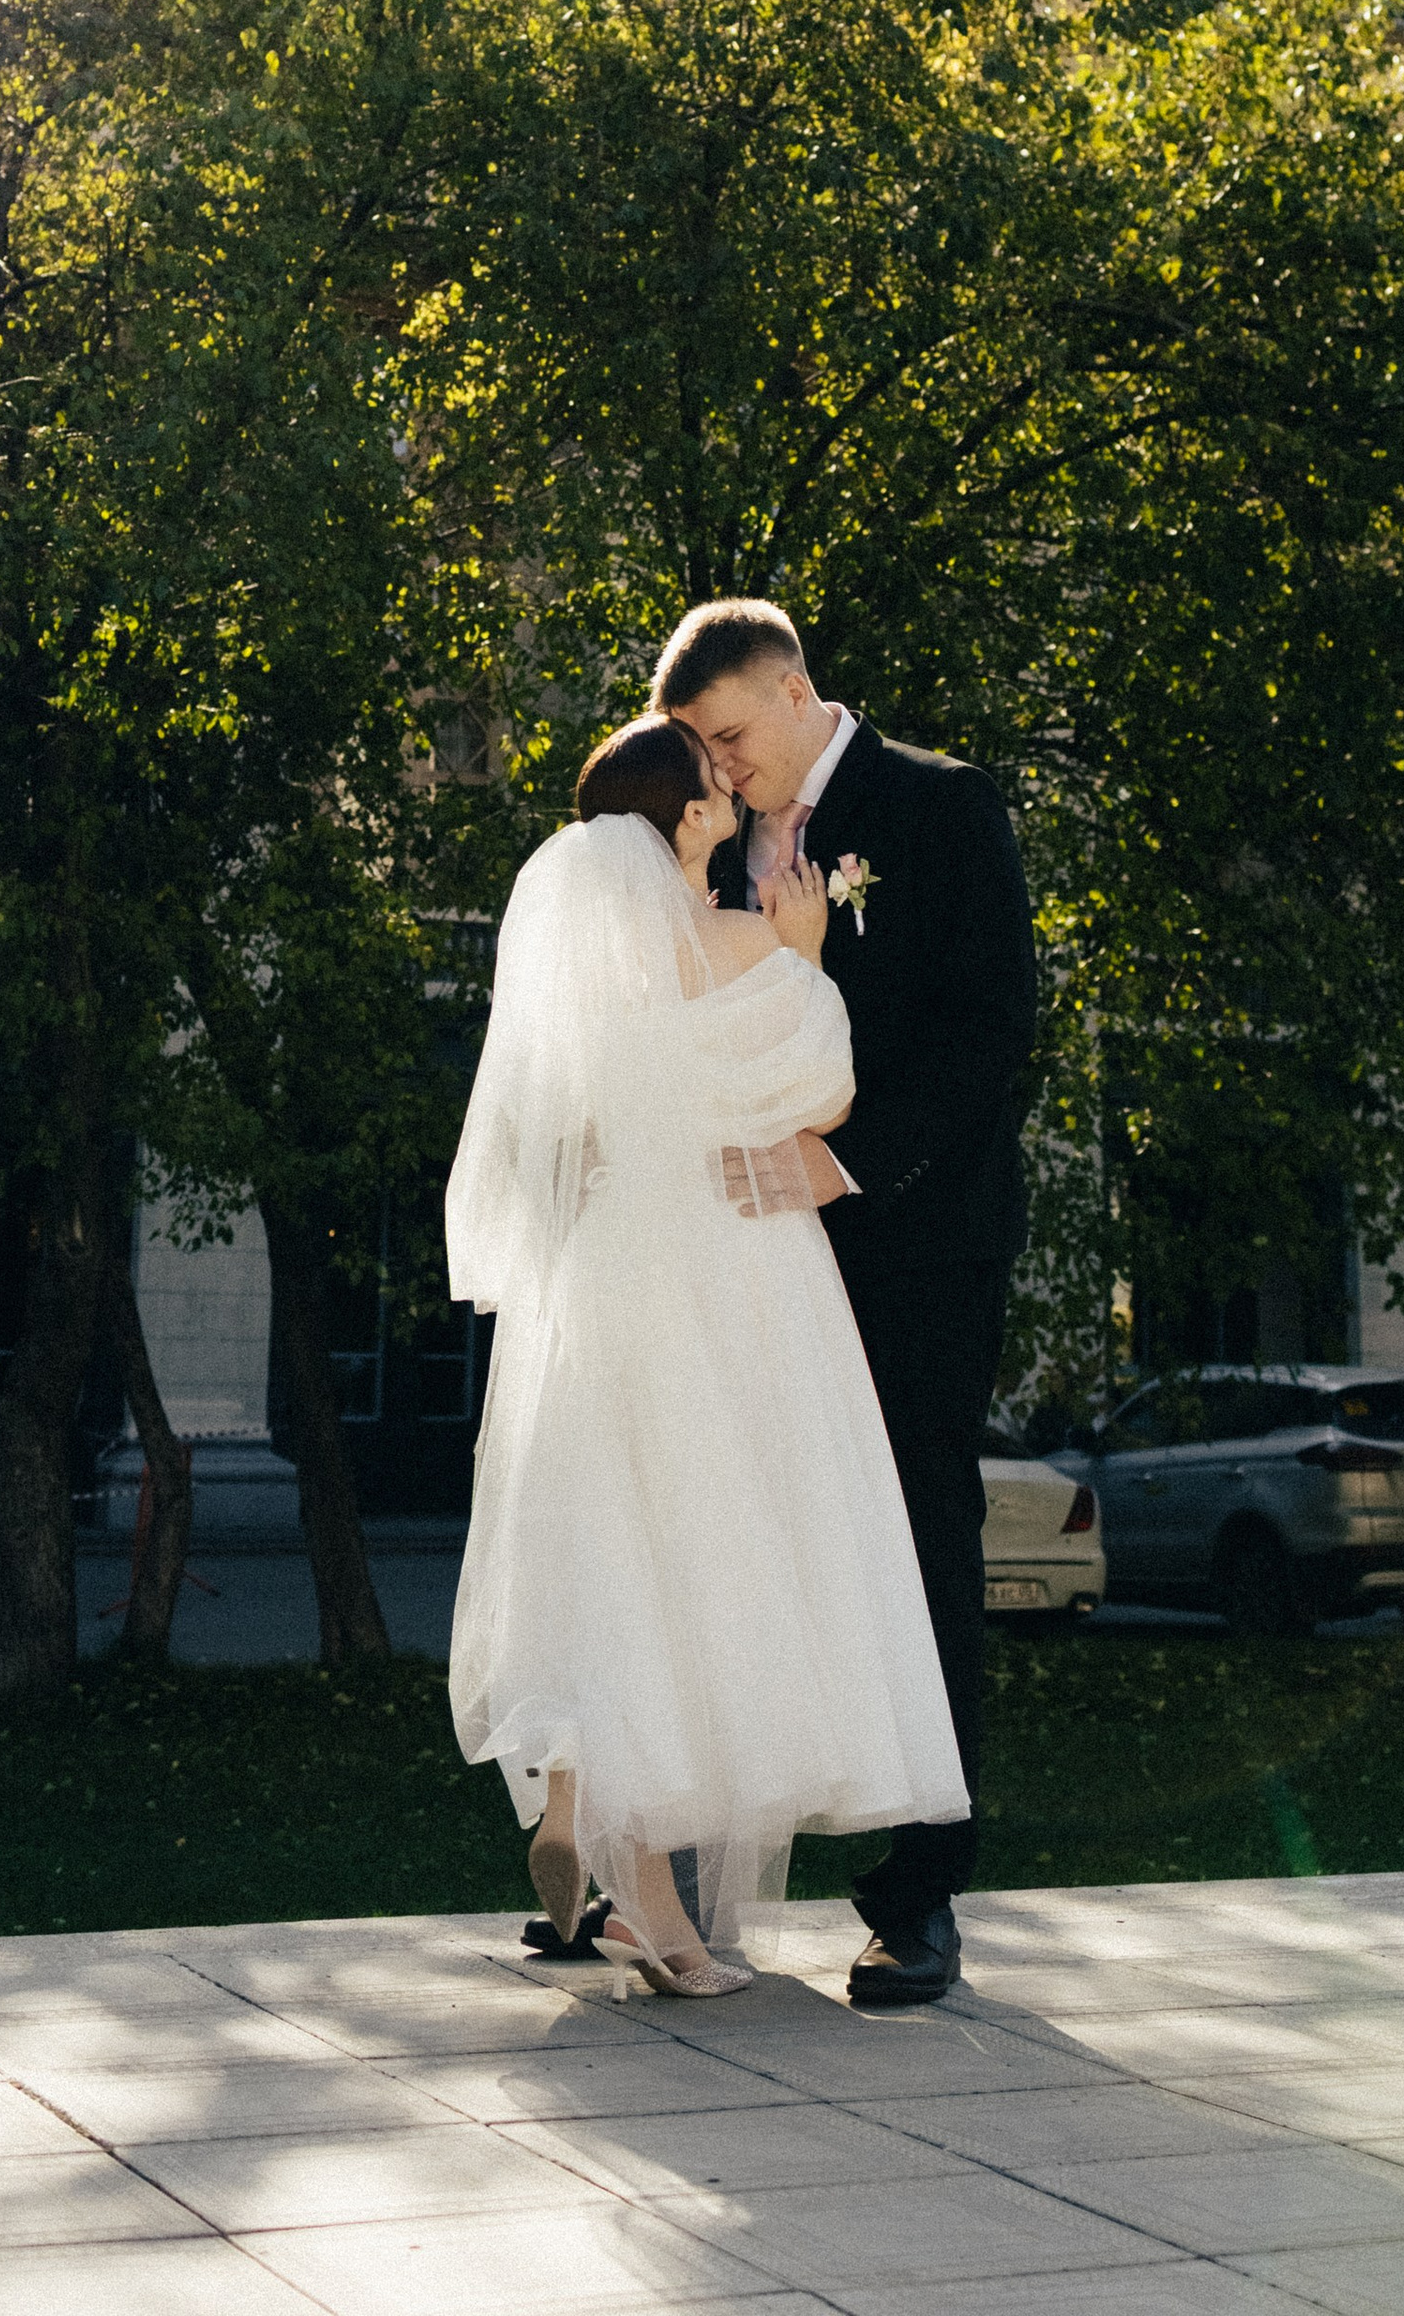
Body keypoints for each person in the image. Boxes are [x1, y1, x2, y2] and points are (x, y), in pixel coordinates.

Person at [446, 715, 967, 1997]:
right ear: (682, 824)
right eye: (714, 792)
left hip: (607, 1281)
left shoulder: (575, 984)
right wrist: (805, 955)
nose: (730, 800)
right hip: (739, 1271)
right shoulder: (743, 945)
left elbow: (552, 1139)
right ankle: (664, 1921)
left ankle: (589, 1811)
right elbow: (828, 1098)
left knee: (614, 1546)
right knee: (724, 1554)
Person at [651, 599, 1037, 2010]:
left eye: (732, 734)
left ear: (798, 686)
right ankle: (689, 1876)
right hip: (750, 1259)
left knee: (917, 1535)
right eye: (697, 745)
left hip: (914, 1244)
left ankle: (919, 1894)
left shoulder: (941, 806)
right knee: (736, 1539)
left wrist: (844, 1162)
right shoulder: (706, 842)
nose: (720, 766)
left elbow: (996, 1028)